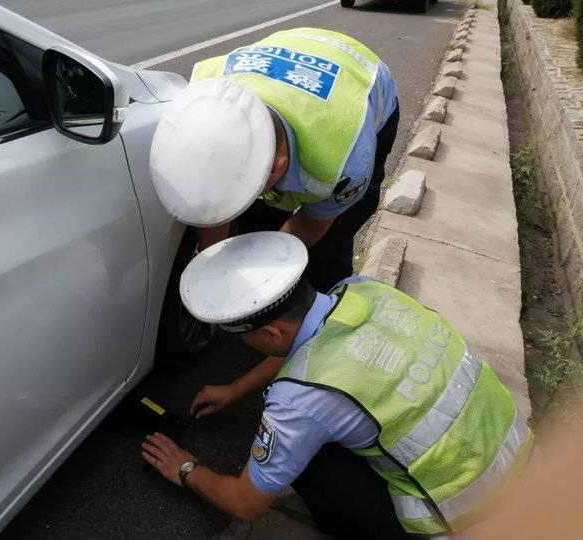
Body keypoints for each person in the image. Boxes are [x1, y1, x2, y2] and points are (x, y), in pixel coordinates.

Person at [141, 232, 534, 538]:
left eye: (244, 336)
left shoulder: (298, 401)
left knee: (310, 463)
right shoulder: (364, 290)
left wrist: (187, 468)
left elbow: (245, 504)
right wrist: (236, 389)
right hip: (516, 457)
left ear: (271, 334)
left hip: (463, 516)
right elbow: (307, 344)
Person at [149, 28, 399, 292]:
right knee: (254, 220)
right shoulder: (201, 102)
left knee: (330, 243)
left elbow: (310, 225)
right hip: (289, 48)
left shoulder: (346, 162)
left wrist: (263, 280)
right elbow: (214, 201)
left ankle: (323, 311)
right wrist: (211, 259)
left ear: (278, 167)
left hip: (364, 80)